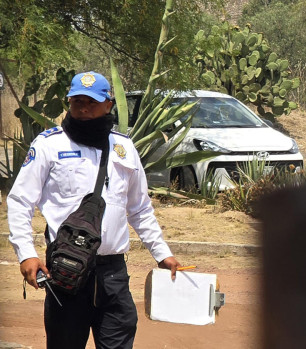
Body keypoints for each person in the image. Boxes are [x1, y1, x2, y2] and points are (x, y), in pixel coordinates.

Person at [7, 71, 182, 349]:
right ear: (69, 104)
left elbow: (139, 209)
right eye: (77, 102)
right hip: (66, 273)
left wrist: (162, 254)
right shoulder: (49, 145)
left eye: (91, 102)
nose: (84, 108)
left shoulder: (124, 148)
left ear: (109, 105)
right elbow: (20, 202)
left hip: (113, 275)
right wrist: (26, 254)